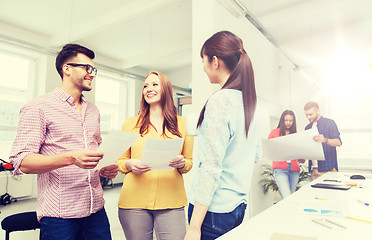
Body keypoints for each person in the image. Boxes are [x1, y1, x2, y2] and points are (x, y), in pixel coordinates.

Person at [9, 44, 119, 240]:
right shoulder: (38, 107)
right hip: (60, 216)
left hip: (96, 210)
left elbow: (95, 151)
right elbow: (21, 161)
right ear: (67, 68)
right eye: (87, 68)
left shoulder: (93, 111)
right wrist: (70, 158)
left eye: (93, 70)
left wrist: (103, 167)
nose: (92, 74)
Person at [185, 31, 261, 240]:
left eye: (203, 60)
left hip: (212, 213)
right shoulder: (250, 103)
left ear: (215, 61)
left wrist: (193, 228)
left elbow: (210, 168)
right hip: (237, 208)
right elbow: (255, 154)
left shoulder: (221, 100)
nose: (203, 66)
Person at [116, 71, 194, 240]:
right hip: (134, 201)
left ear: (165, 89)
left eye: (154, 84)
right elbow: (120, 161)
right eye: (145, 86)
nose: (148, 89)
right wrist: (129, 164)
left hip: (171, 200)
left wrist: (182, 163)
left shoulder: (182, 123)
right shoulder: (131, 123)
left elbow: (189, 162)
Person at [268, 110, 304, 199]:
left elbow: (302, 160)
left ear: (294, 121)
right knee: (287, 197)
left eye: (291, 120)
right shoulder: (274, 133)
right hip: (280, 169)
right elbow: (268, 150)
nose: (288, 123)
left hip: (294, 170)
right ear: (282, 120)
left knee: (290, 198)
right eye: (286, 120)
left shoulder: (296, 135)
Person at [304, 101, 342, 180]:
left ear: (318, 111)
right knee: (315, 193)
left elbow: (338, 142)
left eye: (310, 114)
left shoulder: (329, 123)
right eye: (306, 115)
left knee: (331, 192)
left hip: (328, 169)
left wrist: (325, 140)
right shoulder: (307, 128)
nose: (308, 117)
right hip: (314, 171)